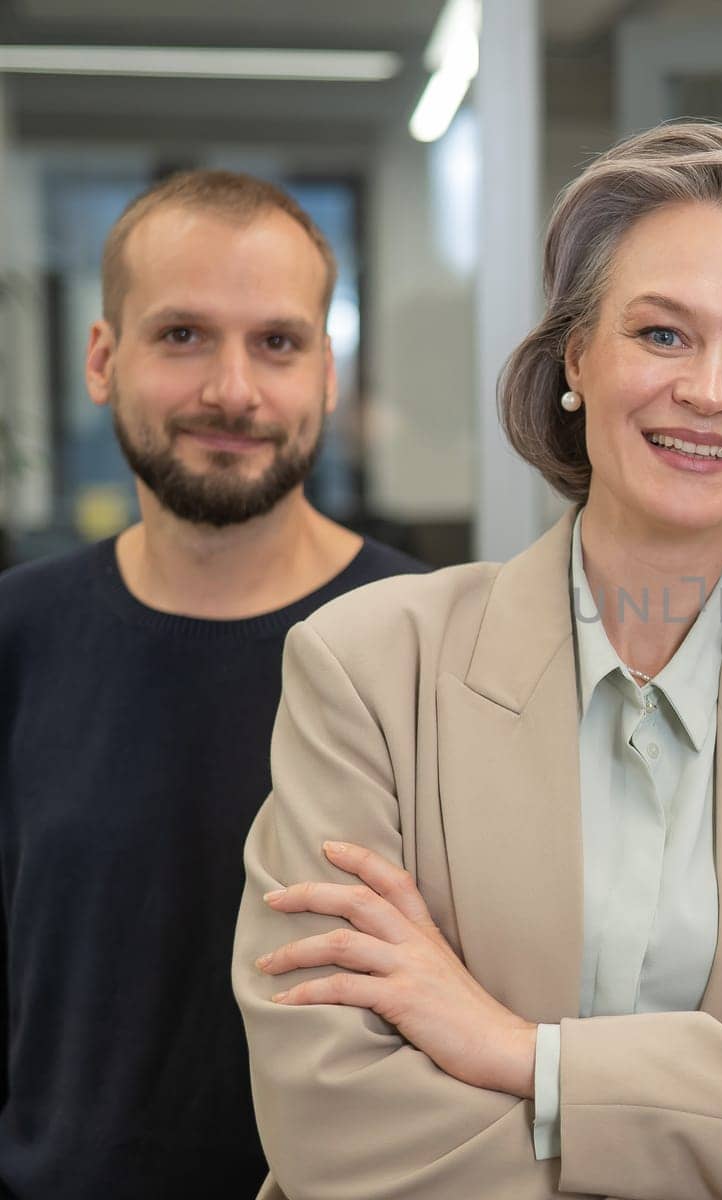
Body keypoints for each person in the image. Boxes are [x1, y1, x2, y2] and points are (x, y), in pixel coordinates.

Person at [231, 122, 722, 1200]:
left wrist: (520, 1056)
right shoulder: (368, 671)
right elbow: (335, 1126)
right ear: (575, 359)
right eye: (661, 334)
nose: (708, 391)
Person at [0, 171, 422, 1197]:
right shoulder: (17, 633)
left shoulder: (429, 643)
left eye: (276, 343)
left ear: (327, 371)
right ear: (103, 360)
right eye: (182, 335)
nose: (232, 391)